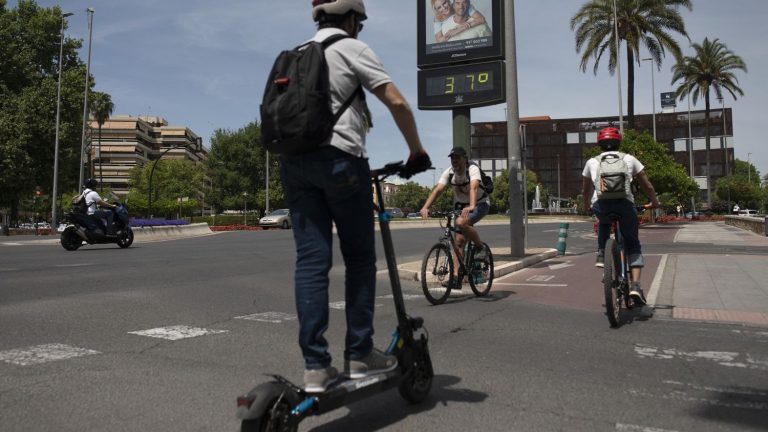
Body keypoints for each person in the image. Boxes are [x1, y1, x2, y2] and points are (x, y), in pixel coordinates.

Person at [282, 0, 431, 393]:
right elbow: (396, 101)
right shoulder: (351, 48)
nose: (359, 29)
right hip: (340, 162)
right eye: (359, 24)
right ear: (350, 19)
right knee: (361, 258)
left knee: (311, 262)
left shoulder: (295, 54)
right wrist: (416, 151)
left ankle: (315, 366)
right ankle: (359, 352)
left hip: (294, 165)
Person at [582, 127, 660, 305]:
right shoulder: (629, 159)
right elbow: (647, 185)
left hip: (601, 204)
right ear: (619, 142)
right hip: (625, 205)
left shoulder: (592, 162)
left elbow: (586, 189)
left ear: (599, 144)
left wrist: (587, 205)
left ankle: (602, 254)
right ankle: (635, 286)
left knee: (603, 223)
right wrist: (654, 201)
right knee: (632, 243)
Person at [420, 147, 489, 284]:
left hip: (480, 203)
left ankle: (481, 248)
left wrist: (472, 205)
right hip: (461, 206)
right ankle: (457, 277)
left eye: (457, 157)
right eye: (452, 158)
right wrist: (425, 207)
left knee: (461, 223)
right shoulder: (449, 172)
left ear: (465, 159)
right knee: (458, 242)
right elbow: (438, 189)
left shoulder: (472, 169)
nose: (454, 161)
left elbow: (474, 187)